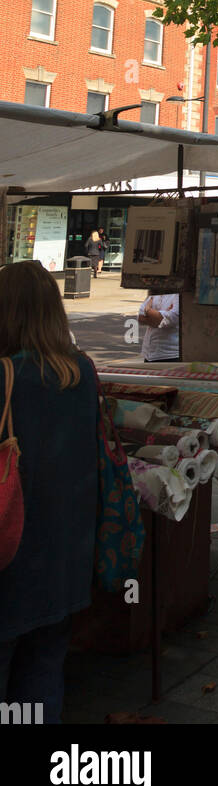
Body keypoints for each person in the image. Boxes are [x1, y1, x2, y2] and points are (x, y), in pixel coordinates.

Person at [0, 261, 99, 724]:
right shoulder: (81, 372)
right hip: (65, 561)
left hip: (11, 563)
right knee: (41, 680)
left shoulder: (7, 378)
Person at [137, 292, 180, 361]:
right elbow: (140, 318)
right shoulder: (155, 292)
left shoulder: (177, 295)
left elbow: (167, 320)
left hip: (170, 355)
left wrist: (148, 310)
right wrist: (158, 316)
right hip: (149, 354)